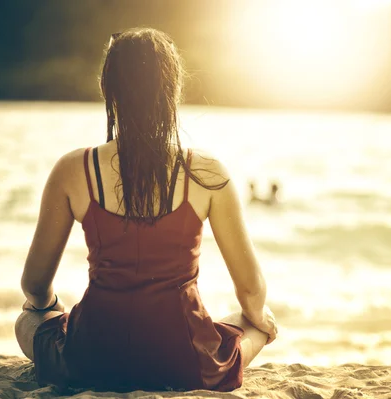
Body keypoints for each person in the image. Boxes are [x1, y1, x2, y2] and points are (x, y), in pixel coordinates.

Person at [15, 28, 277, 392]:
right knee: (254, 323)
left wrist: (51, 309)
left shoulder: (73, 170)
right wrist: (258, 316)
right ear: (172, 91)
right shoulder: (206, 173)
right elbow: (250, 291)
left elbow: (34, 285)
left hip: (92, 357)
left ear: (111, 90)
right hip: (183, 362)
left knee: (27, 321)